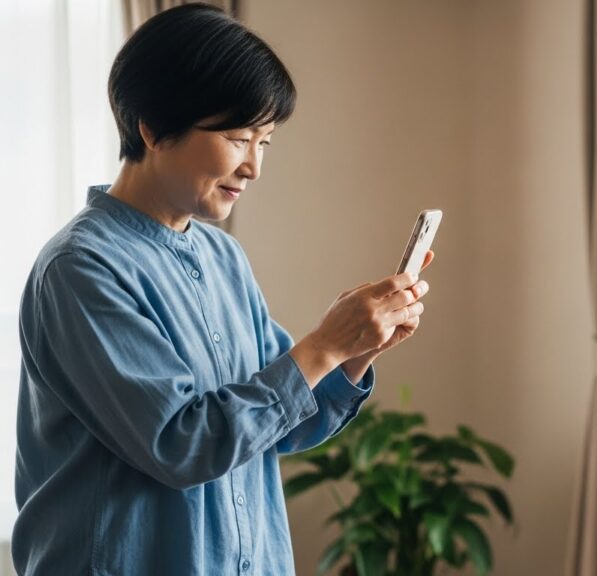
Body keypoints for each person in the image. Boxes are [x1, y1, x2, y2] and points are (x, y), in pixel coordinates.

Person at [13, 5, 433, 575]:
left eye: (266, 141)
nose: (254, 166)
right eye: (238, 138)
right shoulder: (81, 268)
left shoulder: (223, 257)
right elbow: (182, 445)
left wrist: (355, 351)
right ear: (153, 128)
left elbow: (280, 422)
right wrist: (323, 346)